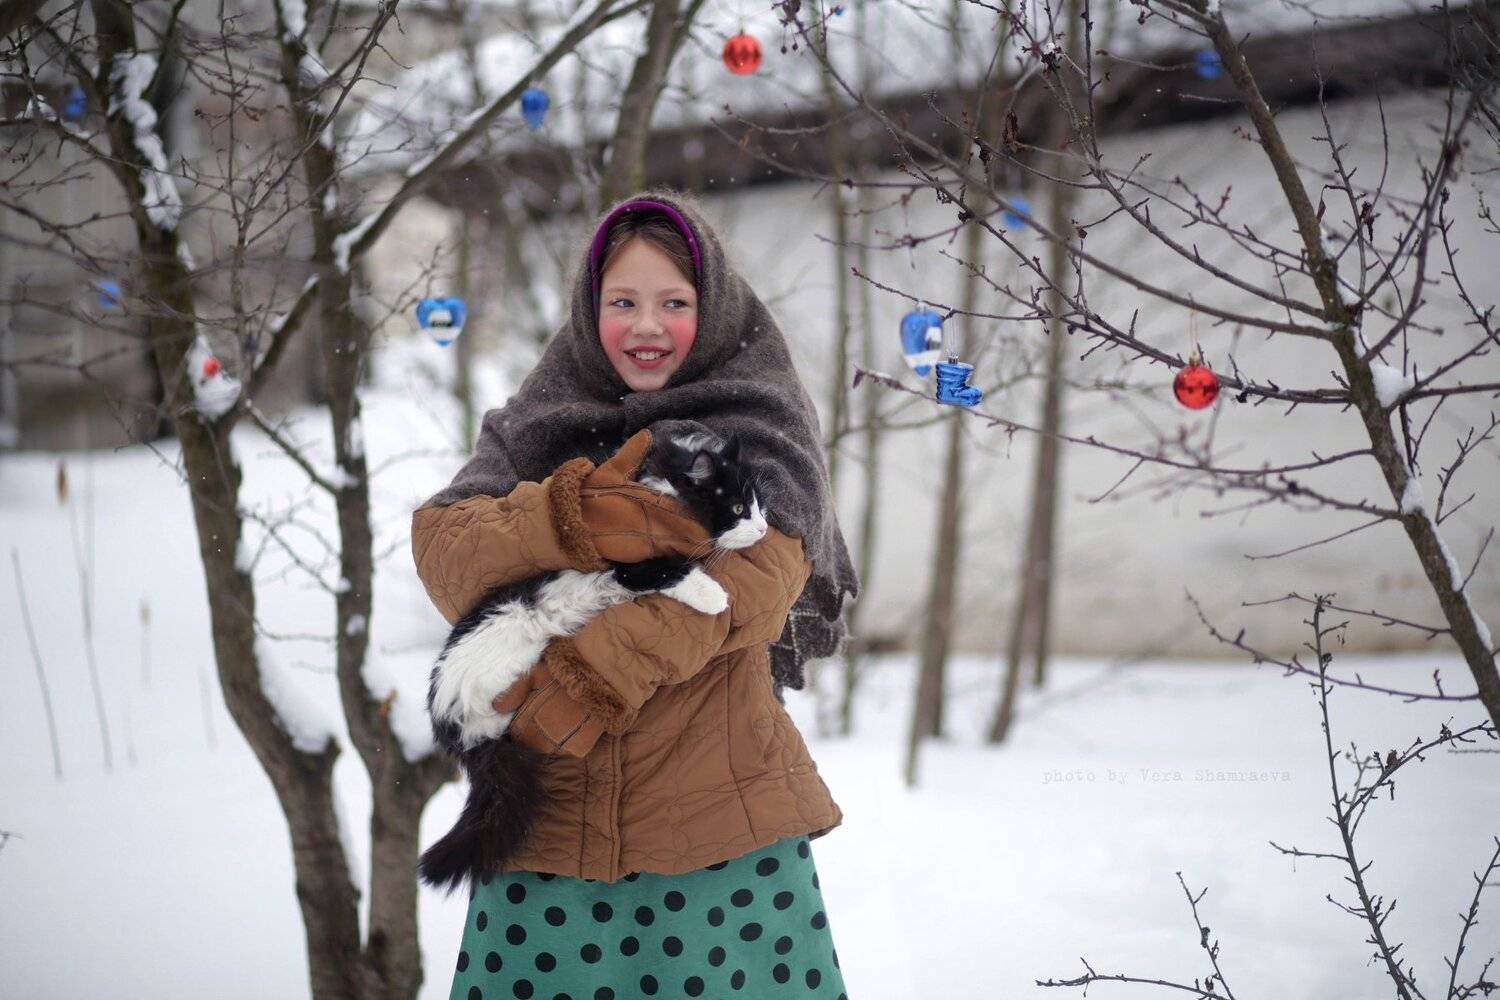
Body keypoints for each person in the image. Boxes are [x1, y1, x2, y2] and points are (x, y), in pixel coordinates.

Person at [410, 188, 858, 1000]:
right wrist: (572, 517)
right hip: (547, 820)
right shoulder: (541, 415)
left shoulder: (759, 413)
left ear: (712, 307)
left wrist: (592, 672)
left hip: (718, 827)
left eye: (673, 303)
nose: (645, 327)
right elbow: (446, 553)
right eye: (622, 302)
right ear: (589, 309)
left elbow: (758, 583)